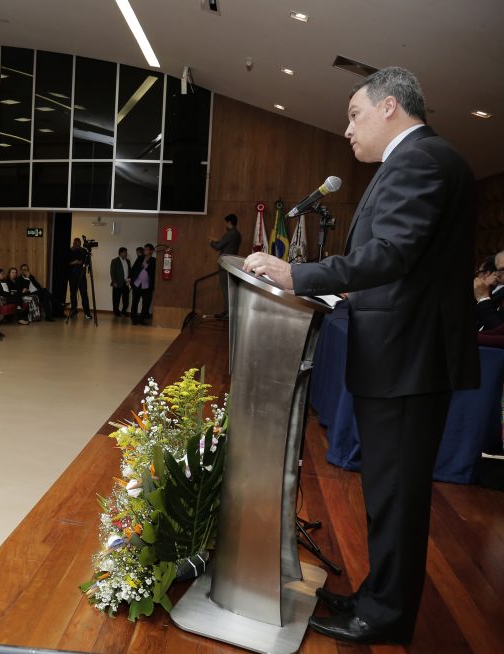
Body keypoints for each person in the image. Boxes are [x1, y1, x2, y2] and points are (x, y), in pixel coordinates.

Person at [243, 67, 478, 646]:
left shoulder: (422, 160)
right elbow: (402, 262)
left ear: (390, 107)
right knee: (387, 493)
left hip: (409, 360)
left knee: (396, 498)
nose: (347, 130)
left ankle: (386, 614)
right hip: (404, 356)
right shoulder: (417, 161)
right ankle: (378, 597)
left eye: (354, 115)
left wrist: (298, 273)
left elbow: (391, 253)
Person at [209, 213, 241, 319]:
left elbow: (218, 246)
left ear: (229, 222)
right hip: (232, 264)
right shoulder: (237, 234)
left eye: (226, 222)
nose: (226, 225)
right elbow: (226, 244)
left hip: (225, 265)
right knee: (230, 288)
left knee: (225, 288)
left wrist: (211, 242)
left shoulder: (230, 234)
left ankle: (228, 312)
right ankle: (229, 311)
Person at [129, 244, 156, 325]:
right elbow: (133, 269)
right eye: (144, 249)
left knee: (146, 303)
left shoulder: (154, 260)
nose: (145, 250)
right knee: (135, 302)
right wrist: (129, 279)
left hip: (147, 286)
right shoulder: (140, 258)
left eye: (147, 249)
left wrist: (146, 266)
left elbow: (154, 273)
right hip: (137, 284)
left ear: (151, 251)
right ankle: (133, 319)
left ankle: (141, 319)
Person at [67, 238, 91, 319]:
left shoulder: (83, 251)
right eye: (76, 244)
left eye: (79, 244)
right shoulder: (69, 251)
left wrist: (84, 263)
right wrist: (75, 262)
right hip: (72, 276)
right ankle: (74, 311)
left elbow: (87, 261)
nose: (77, 246)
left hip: (82, 276)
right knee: (73, 294)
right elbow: (67, 262)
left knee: (84, 294)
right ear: (73, 243)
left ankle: (87, 313)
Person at [109, 248, 131, 317]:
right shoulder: (115, 261)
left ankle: (124, 311)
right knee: (116, 299)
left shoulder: (128, 261)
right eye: (125, 252)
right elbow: (112, 272)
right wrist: (114, 281)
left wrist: (129, 280)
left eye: (126, 252)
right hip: (117, 283)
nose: (126, 254)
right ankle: (116, 312)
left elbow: (129, 271)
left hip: (126, 283)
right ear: (120, 253)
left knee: (126, 299)